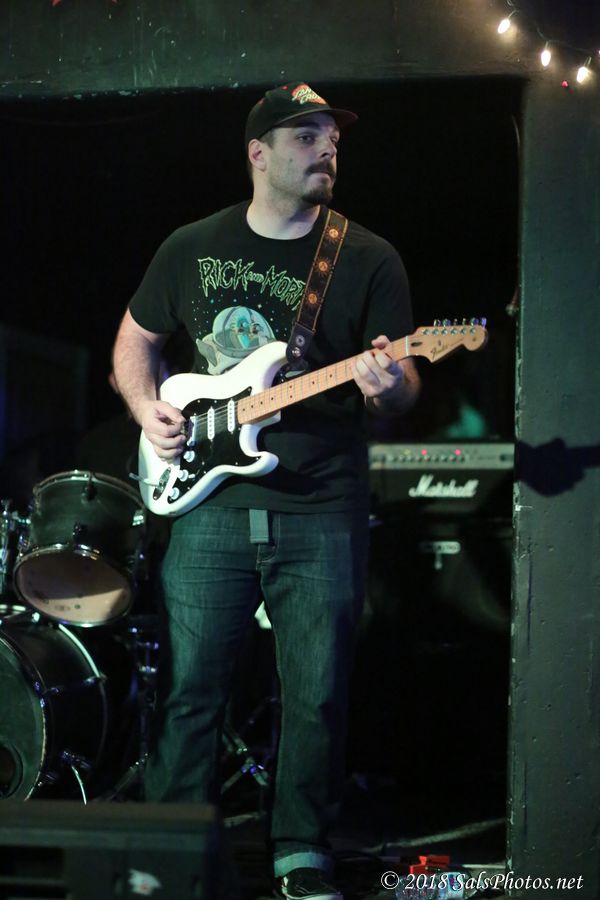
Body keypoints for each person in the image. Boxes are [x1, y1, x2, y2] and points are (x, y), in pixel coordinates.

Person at [112, 81, 420, 900]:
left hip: (321, 504)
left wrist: (390, 383)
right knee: (192, 691)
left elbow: (401, 390)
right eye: (307, 137)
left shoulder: (367, 257)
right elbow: (136, 339)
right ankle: (171, 854)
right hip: (207, 500)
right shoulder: (192, 246)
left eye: (333, 139)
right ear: (259, 153)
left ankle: (301, 856)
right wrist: (147, 409)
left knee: (317, 694)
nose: (328, 150)